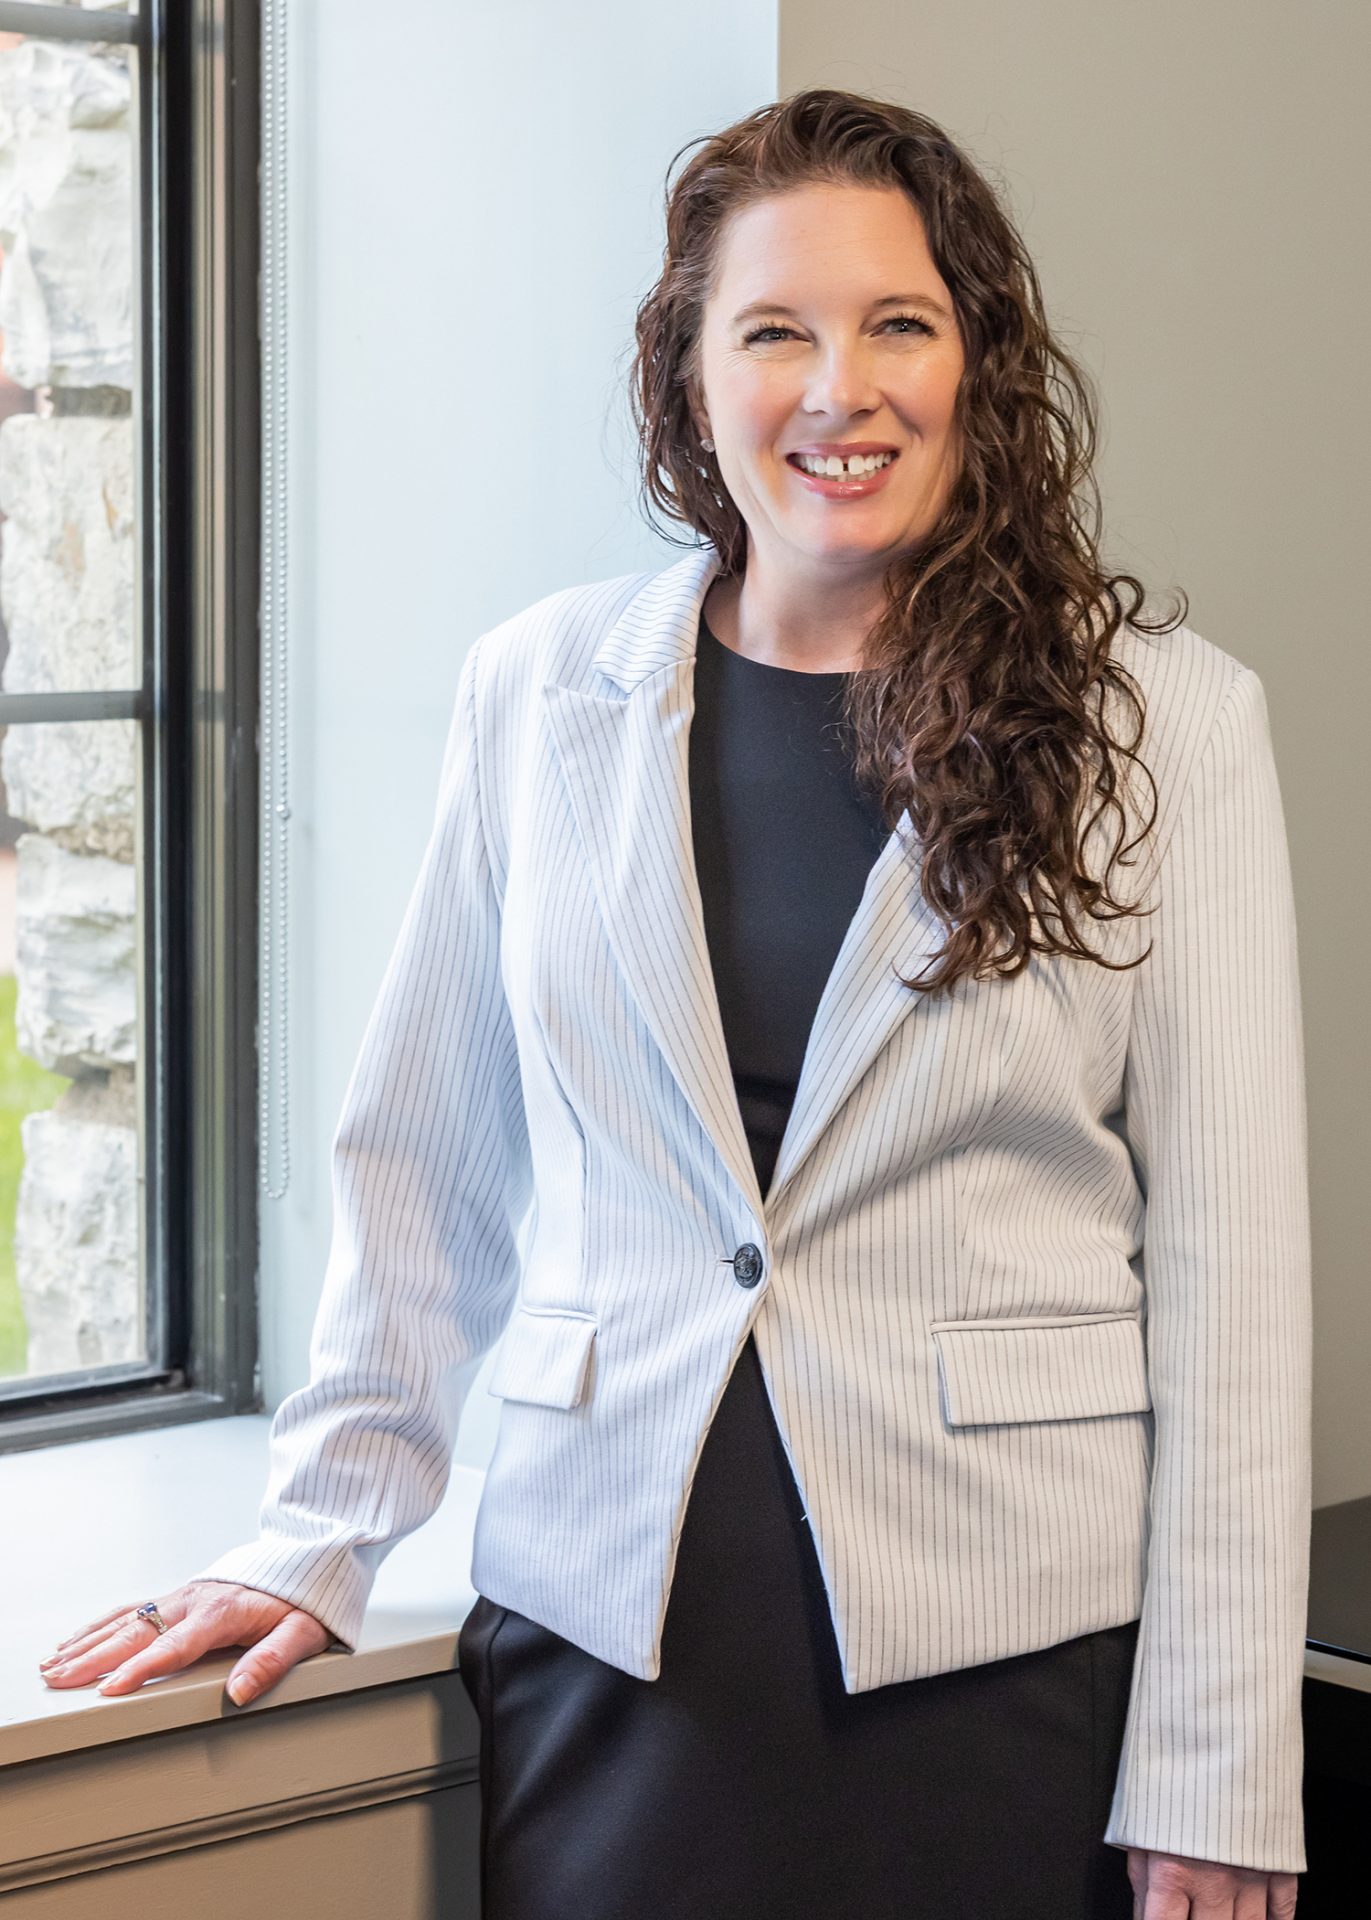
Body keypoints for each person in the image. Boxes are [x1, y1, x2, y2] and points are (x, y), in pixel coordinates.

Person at [39, 88, 1309, 1920]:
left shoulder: (1164, 721)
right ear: (690, 379)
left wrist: (1221, 1762)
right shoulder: (536, 687)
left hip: (1005, 1663)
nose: (839, 390)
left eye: (899, 323)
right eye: (774, 330)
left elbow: (1231, 1279)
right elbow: (423, 1157)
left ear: (977, 361)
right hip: (611, 1648)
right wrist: (321, 1531)